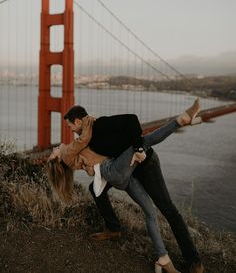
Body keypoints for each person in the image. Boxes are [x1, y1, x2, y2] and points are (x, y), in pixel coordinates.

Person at [47, 99, 204, 273]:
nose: (72, 133)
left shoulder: (100, 125)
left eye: (71, 126)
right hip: (123, 169)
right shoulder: (84, 139)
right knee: (95, 189)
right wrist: (88, 166)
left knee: (167, 210)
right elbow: (85, 152)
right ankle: (114, 228)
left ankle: (193, 260)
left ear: (78, 122)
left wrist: (137, 148)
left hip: (145, 165)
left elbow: (131, 120)